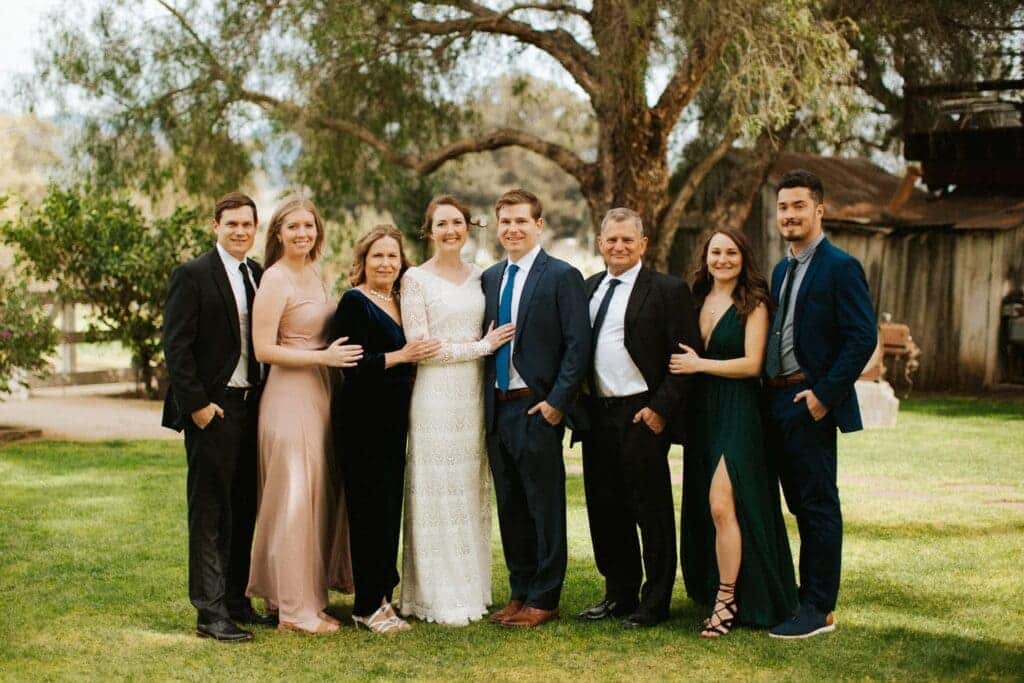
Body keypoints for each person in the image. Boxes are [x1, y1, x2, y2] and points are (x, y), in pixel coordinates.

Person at [762, 169, 876, 639]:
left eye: (798, 206)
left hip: (809, 399)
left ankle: (818, 608)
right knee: (793, 505)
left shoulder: (840, 267)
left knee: (817, 506)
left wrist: (824, 396)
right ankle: (793, 597)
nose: (789, 215)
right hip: (774, 399)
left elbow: (862, 336)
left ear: (819, 210)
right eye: (783, 207)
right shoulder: (781, 268)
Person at [575, 208, 701, 629]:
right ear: (600, 243)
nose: (619, 247)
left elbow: (683, 358)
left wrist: (660, 410)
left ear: (643, 244)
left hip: (641, 412)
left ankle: (655, 601)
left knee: (651, 511)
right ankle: (619, 593)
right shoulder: (588, 289)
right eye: (611, 240)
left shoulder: (667, 290)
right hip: (598, 415)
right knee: (606, 509)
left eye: (628, 240)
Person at [669, 228, 798, 637]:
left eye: (730, 252)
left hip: (739, 410)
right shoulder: (694, 299)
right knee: (710, 508)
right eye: (715, 252)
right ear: (704, 257)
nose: (722, 259)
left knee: (722, 503)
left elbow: (752, 364)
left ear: (744, 258)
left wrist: (700, 366)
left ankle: (727, 599)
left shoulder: (753, 303)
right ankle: (720, 587)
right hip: (702, 413)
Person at [245, 196, 362, 635]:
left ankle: (308, 599)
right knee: (294, 500)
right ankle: (294, 612)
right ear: (278, 233)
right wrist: (324, 358)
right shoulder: (275, 279)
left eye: (308, 227)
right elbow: (263, 349)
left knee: (315, 498)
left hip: (320, 393)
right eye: (292, 227)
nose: (302, 234)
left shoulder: (314, 272)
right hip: (290, 396)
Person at [162, 192, 275, 642]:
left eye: (248, 224)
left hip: (252, 406)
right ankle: (209, 614)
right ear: (215, 226)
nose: (241, 231)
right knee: (209, 511)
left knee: (244, 507)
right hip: (214, 409)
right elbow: (176, 347)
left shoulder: (258, 274)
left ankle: (234, 600)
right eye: (232, 224)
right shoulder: (192, 275)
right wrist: (198, 407)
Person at [399, 196, 516, 626]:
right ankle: (432, 595)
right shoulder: (415, 279)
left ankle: (470, 589)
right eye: (442, 224)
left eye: (458, 223)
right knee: (435, 489)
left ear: (469, 227)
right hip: (433, 398)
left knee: (469, 489)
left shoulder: (483, 278)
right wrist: (483, 347)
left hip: (473, 397)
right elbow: (421, 348)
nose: (451, 230)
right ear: (428, 230)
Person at [481, 188, 591, 629]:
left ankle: (545, 598)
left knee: (544, 507)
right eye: (505, 222)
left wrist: (555, 406)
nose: (512, 229)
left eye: (521, 221)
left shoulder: (562, 276)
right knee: (510, 507)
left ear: (539, 225)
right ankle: (520, 591)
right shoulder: (489, 278)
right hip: (497, 409)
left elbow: (577, 347)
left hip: (536, 408)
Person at [333, 225, 441, 633]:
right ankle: (365, 606)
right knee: (367, 512)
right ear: (363, 261)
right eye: (378, 256)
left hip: (394, 420)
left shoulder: (398, 300)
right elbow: (353, 365)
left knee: (388, 509)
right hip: (362, 420)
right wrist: (403, 355)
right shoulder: (354, 303)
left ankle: (382, 597)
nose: (386, 263)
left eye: (393, 256)